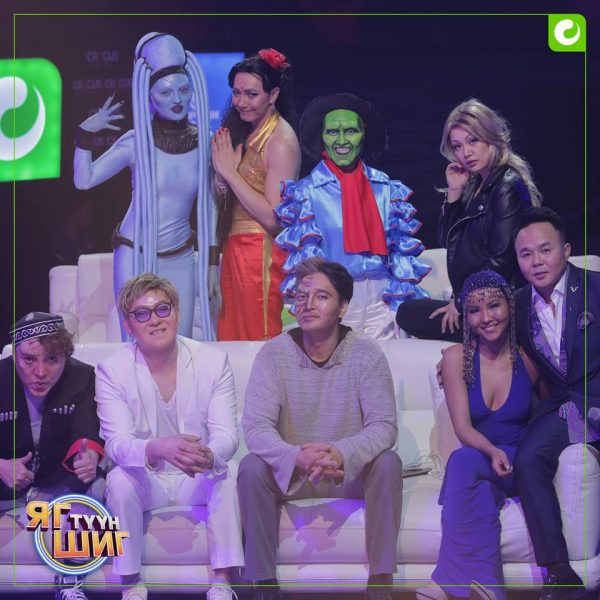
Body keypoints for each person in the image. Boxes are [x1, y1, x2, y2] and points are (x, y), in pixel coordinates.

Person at [238, 257, 403, 600]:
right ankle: (263, 585)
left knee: (388, 462)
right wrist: (294, 455)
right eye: (301, 296)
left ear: (343, 307)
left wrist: (341, 452)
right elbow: (256, 427)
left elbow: (384, 425)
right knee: (251, 467)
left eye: (321, 297)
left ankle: (380, 582)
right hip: (293, 474)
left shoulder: (366, 354)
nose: (308, 304)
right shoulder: (273, 354)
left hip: (347, 474)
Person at [95, 273, 243, 600]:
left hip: (196, 475)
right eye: (142, 314)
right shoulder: (112, 370)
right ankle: (131, 585)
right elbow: (117, 445)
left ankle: (222, 584)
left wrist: (208, 455)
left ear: (177, 313)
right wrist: (157, 448)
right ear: (128, 325)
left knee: (228, 471)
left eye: (163, 309)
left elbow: (227, 434)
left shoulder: (212, 361)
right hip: (148, 479)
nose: (155, 320)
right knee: (119, 480)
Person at [74, 32, 216, 340]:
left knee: (181, 341)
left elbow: (210, 206)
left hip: (181, 256)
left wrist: (213, 263)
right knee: (136, 344)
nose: (176, 99)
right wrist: (85, 135)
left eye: (183, 90)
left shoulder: (205, 140)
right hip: (135, 253)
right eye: (165, 92)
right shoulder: (136, 142)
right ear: (150, 97)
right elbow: (84, 180)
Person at [416, 271, 539, 600]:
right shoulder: (457, 359)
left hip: (520, 461)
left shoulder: (528, 359)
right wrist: (492, 451)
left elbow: (552, 408)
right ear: (465, 316)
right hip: (483, 459)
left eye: (494, 306)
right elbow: (463, 428)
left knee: (462, 462)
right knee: (478, 486)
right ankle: (490, 589)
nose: (485, 318)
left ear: (510, 306)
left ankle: (445, 581)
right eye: (474, 310)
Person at [275, 93, 429, 339]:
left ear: (363, 134)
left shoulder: (388, 189)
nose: (341, 140)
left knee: (387, 364)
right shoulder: (306, 193)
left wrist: (397, 306)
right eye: (332, 132)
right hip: (335, 304)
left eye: (350, 131)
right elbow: (306, 267)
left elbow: (400, 259)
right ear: (322, 137)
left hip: (384, 304)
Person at [396, 98, 541, 342]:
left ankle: (493, 340)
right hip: (476, 299)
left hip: (501, 302)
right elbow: (448, 241)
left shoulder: (506, 186)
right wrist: (454, 193)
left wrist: (463, 301)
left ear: (490, 136)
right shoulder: (475, 183)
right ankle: (481, 339)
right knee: (407, 312)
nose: (466, 153)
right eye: (458, 146)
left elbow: (501, 261)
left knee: (411, 314)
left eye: (473, 141)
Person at [512, 207, 600, 600]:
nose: (536, 261)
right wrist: (458, 354)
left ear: (565, 250)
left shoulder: (595, 288)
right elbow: (479, 323)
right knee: (528, 458)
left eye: (545, 250)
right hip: (565, 409)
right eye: (525, 254)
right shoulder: (516, 304)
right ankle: (560, 574)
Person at [0, 312, 104, 600]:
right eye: (28, 360)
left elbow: (87, 433)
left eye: (52, 359)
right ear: (14, 356)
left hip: (59, 482)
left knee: (99, 489)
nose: (40, 372)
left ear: (65, 356)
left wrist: (89, 457)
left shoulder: (83, 377)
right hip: (5, 487)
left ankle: (71, 583)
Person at [211, 48, 301, 341]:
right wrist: (221, 178)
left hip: (260, 252)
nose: (240, 102)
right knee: (231, 341)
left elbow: (274, 218)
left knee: (257, 341)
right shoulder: (243, 130)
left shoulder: (281, 141)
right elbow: (227, 196)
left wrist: (230, 173)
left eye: (251, 94)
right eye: (236, 93)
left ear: (273, 95)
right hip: (235, 247)